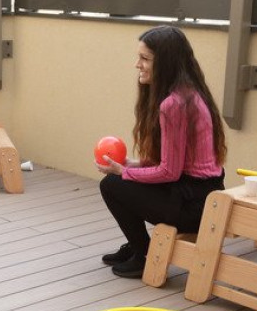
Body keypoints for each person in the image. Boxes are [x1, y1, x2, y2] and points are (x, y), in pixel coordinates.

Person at [97, 24, 227, 278]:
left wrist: (124, 171)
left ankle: (143, 253)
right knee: (120, 179)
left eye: (145, 59)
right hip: (200, 191)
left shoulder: (174, 104)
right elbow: (174, 163)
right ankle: (138, 247)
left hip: (195, 205)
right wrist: (133, 164)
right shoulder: (189, 93)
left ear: (165, 63)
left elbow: (169, 171)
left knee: (112, 184)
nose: (138, 65)